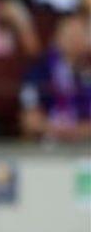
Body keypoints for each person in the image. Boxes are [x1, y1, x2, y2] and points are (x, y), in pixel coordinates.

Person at [19, 15, 91, 143]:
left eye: (79, 35)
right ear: (57, 38)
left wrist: (75, 131)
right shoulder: (38, 70)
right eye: (70, 35)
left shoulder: (87, 72)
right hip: (48, 143)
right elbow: (29, 119)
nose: (75, 40)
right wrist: (55, 129)